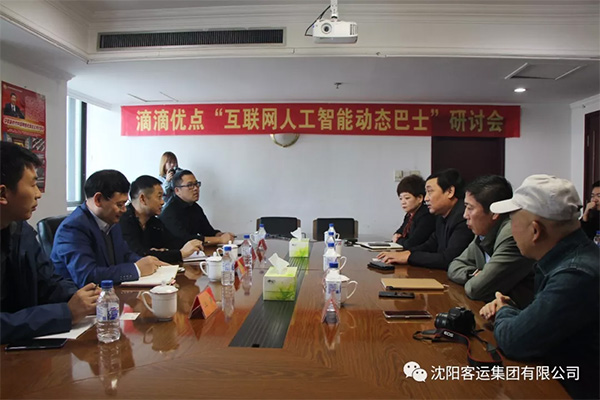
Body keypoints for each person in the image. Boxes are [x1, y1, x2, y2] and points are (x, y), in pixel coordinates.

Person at [479, 174, 599, 400]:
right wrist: (513, 311)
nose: (510, 230)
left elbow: (515, 341)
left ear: (535, 231)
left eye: (512, 221)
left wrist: (504, 310)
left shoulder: (575, 275)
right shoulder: (569, 259)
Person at [0, 142, 100, 343]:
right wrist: (65, 313)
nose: (38, 194)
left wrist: (85, 298)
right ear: (3, 194)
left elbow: (49, 282)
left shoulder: (22, 231)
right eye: (32, 185)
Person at [51, 170, 163, 287]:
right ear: (98, 199)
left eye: (125, 204)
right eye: (119, 204)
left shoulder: (110, 220)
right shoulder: (72, 229)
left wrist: (149, 263)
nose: (124, 210)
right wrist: (136, 269)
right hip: (80, 295)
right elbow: (87, 276)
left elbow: (125, 255)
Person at [448, 175, 535, 308]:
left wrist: (479, 279)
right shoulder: (484, 232)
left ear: (494, 213)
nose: (465, 215)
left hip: (518, 313)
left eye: (470, 208)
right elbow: (454, 266)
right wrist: (474, 274)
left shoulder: (511, 235)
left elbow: (476, 289)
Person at [378, 168, 473, 270]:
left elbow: (449, 259)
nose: (426, 198)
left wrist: (410, 257)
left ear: (450, 192)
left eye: (430, 192)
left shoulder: (464, 217)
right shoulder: (441, 216)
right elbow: (430, 245)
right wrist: (406, 253)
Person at [120, 175, 204, 265]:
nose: (162, 202)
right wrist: (180, 254)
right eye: (159, 197)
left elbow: (172, 242)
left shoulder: (153, 221)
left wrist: (190, 244)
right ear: (143, 199)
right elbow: (139, 255)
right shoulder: (123, 221)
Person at [159, 170, 235, 245]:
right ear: (177, 190)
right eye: (190, 185)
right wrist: (219, 240)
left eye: (196, 184)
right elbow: (186, 240)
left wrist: (220, 235)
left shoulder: (194, 206)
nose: (195, 188)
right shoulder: (170, 212)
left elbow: (208, 231)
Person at [391, 175, 436, 249]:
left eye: (407, 198)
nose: (403, 202)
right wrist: (397, 235)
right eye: (400, 199)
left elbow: (411, 243)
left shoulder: (426, 216)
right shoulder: (409, 215)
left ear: (420, 198)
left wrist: (398, 240)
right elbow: (399, 232)